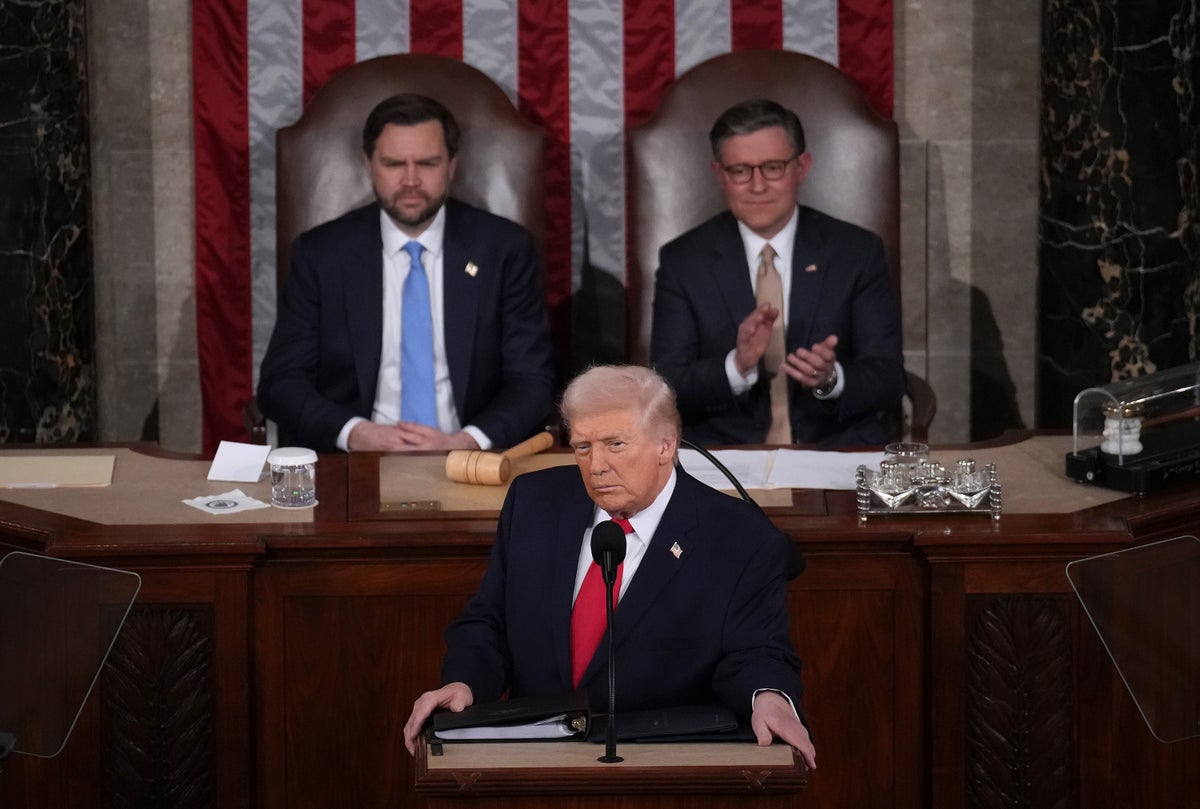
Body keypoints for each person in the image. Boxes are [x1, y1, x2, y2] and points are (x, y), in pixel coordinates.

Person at [402, 365, 816, 770]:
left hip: (662, 768)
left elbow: (757, 652)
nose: (596, 465)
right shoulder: (534, 503)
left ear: (665, 446)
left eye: (615, 444)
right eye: (582, 447)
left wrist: (769, 697)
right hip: (534, 763)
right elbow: (489, 623)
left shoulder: (739, 536)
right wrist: (464, 682)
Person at [257, 93, 555, 453]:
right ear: (369, 164)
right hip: (357, 461)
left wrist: (468, 441)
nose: (410, 180)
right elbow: (282, 382)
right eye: (394, 164)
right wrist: (354, 434)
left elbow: (531, 380)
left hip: (470, 460)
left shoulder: (503, 250)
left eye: (427, 163)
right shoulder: (322, 254)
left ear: (452, 166)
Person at [650, 98, 905, 447]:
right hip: (726, 452)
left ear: (802, 167)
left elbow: (888, 378)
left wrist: (830, 379)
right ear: (720, 175)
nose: (757, 186)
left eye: (773, 167)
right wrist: (736, 366)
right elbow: (667, 384)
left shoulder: (856, 252)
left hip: (834, 447)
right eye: (740, 171)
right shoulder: (684, 260)